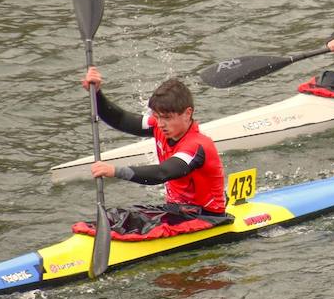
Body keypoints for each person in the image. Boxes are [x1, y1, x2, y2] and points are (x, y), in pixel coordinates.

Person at [77, 67, 231, 238]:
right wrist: (97, 94)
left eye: (166, 117)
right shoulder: (159, 125)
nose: (160, 123)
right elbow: (120, 119)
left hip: (206, 218)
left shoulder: (196, 146)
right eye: (157, 117)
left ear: (188, 114)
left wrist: (114, 171)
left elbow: (162, 173)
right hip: (176, 212)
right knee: (110, 219)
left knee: (128, 229)